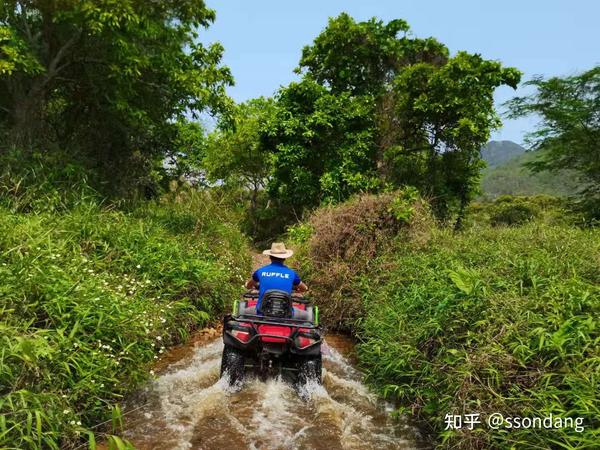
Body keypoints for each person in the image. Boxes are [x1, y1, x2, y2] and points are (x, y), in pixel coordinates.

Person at [245, 242, 308, 315]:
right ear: (284, 258)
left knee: (244, 310)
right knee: (307, 315)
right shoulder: (292, 273)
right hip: (286, 314)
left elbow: (249, 285)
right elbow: (304, 288)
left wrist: (247, 285)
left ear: (270, 257)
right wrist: (298, 290)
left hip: (262, 312)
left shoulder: (261, 271)